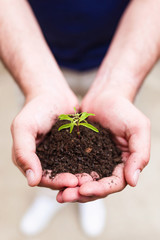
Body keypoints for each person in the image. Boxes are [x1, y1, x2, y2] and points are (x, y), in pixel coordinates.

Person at [0, 0, 159, 235]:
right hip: (34, 52)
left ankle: (92, 198)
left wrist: (119, 83)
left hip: (119, 54)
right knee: (38, 141)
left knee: (108, 129)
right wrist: (38, 84)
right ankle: (48, 196)